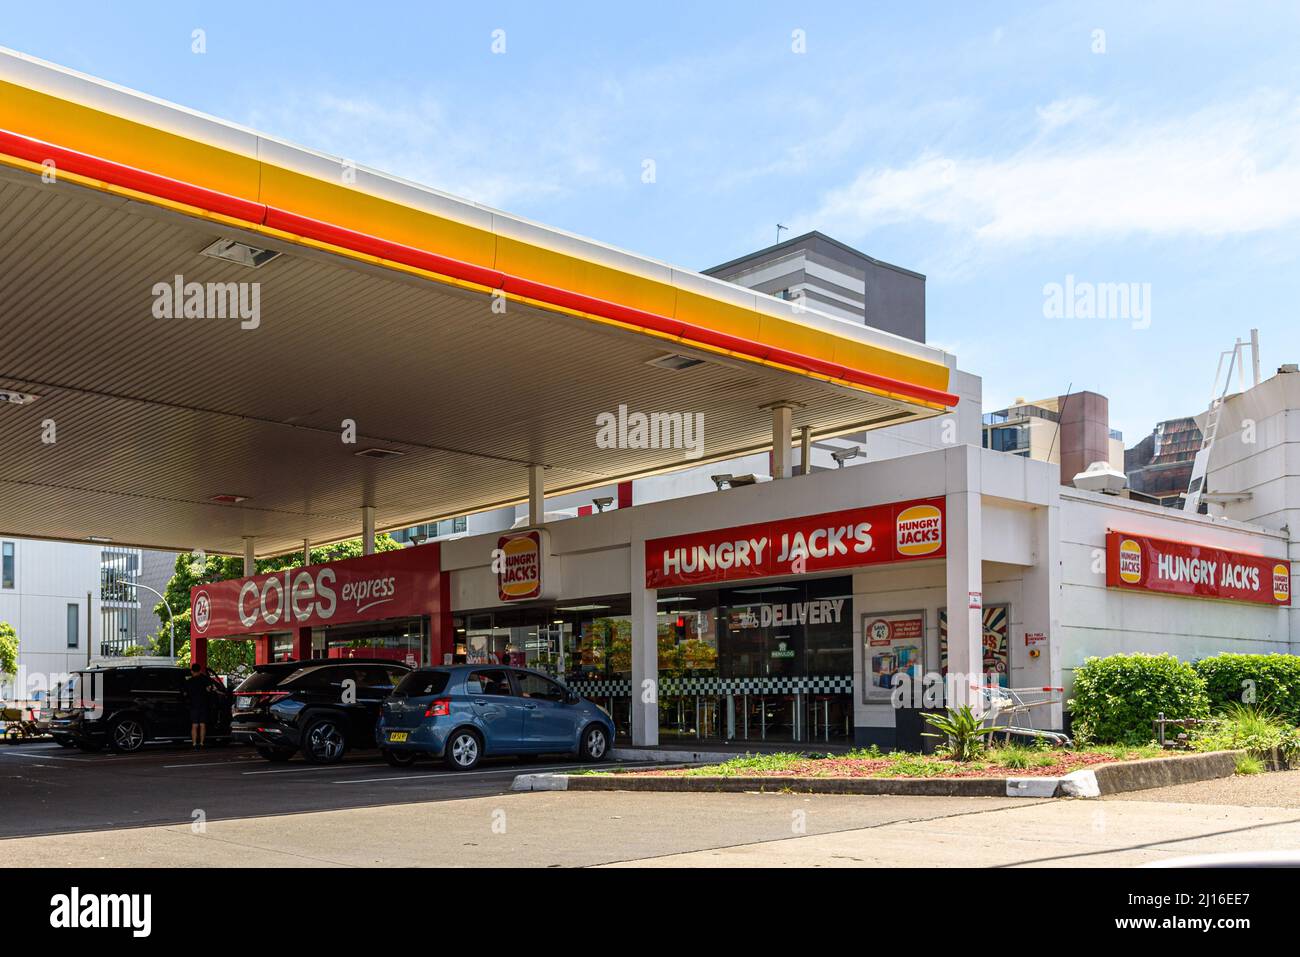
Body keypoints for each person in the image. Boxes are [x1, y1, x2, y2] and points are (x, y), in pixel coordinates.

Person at [184, 664, 213, 749]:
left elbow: (185, 693)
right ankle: (201, 743)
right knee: (202, 724)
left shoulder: (189, 682)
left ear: (192, 671)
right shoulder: (205, 679)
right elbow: (209, 689)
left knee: (194, 725)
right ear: (200, 671)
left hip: (193, 705)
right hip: (203, 704)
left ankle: (194, 743)